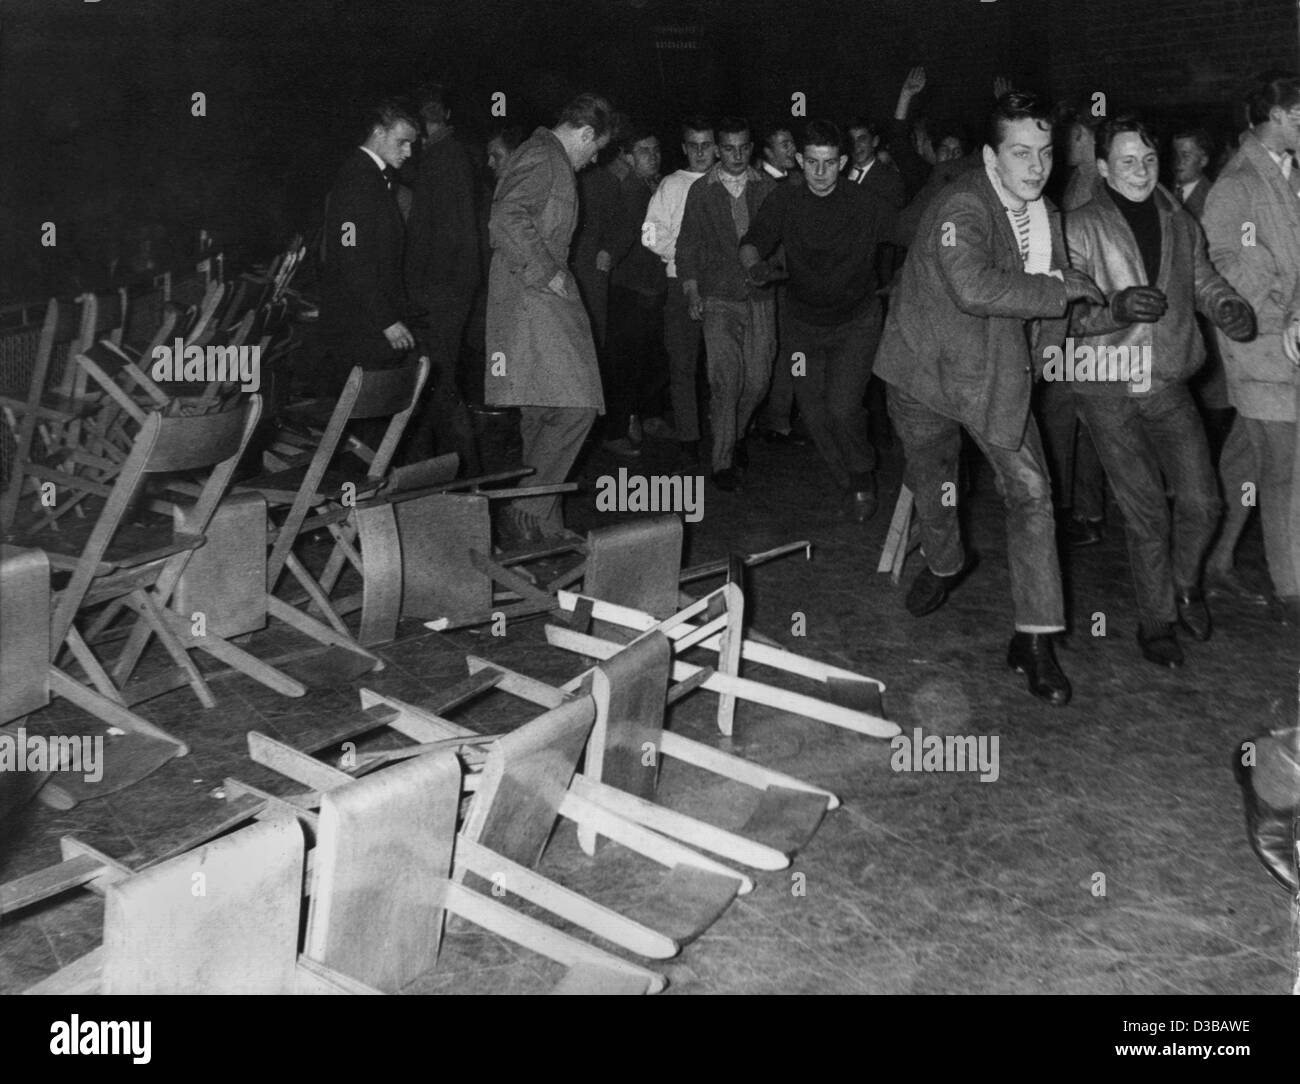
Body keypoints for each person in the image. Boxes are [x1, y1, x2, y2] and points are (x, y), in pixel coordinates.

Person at [875, 91, 1106, 706]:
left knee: (1032, 493)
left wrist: (1081, 328)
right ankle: (947, 562)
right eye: (1020, 153)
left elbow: (1050, 312)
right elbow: (976, 286)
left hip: (994, 373)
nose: (1035, 167)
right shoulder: (962, 205)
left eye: (1045, 153)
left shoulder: (1048, 213)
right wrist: (1059, 289)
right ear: (990, 155)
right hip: (924, 372)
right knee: (937, 482)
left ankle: (1033, 641)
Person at [1064, 114, 1254, 669]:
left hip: (1167, 379)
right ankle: (1156, 621)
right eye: (1127, 161)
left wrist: (1227, 307)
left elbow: (1201, 281)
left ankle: (1186, 585)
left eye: (1149, 160)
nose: (1141, 171)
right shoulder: (1077, 226)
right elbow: (1061, 316)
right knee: (1147, 512)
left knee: (1203, 500)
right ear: (1102, 167)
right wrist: (1113, 308)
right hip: (1106, 385)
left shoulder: (1179, 222)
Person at [740, 119, 894, 521]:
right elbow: (754, 240)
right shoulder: (785, 200)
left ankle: (862, 476)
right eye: (812, 162)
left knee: (843, 408)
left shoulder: (864, 203)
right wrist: (755, 266)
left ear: (842, 162)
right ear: (799, 161)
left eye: (829, 163)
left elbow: (913, 232)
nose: (820, 173)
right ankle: (848, 479)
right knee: (812, 410)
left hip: (855, 324)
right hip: (802, 327)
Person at [486, 92, 614, 544]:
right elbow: (505, 217)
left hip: (532, 299)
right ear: (584, 133)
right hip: (534, 298)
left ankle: (543, 525)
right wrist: (546, 273)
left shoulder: (548, 156)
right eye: (595, 148)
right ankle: (523, 508)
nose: (594, 159)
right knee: (578, 406)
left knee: (542, 411)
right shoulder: (545, 156)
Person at [1201, 73, 1300, 626]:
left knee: (1245, 460)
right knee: (1285, 472)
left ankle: (1210, 560)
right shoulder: (1237, 184)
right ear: (1279, 118)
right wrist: (1287, 308)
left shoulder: (1291, 177)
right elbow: (1232, 272)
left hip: (1288, 347)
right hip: (1259, 348)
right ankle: (1292, 591)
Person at [676, 117, 777, 489]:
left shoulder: (767, 187)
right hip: (718, 296)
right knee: (725, 380)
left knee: (758, 381)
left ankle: (734, 435)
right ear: (718, 150)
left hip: (761, 297)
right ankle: (721, 463)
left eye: (743, 147)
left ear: (752, 147)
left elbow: (781, 239)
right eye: (728, 148)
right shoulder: (702, 191)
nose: (736, 155)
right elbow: (686, 245)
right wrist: (691, 290)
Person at [402, 83, 481, 472]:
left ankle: (464, 470)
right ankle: (450, 467)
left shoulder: (440, 158)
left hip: (440, 291)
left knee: (440, 381)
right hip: (450, 288)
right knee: (439, 380)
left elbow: (436, 234)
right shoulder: (450, 154)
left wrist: (420, 290)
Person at [318, 98, 420, 393]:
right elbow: (352, 257)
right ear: (378, 132)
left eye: (411, 144)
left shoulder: (373, 178)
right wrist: (387, 321)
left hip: (366, 322)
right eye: (402, 142)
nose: (409, 152)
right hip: (361, 327)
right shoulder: (358, 180)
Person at [642, 116, 718, 469]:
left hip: (722, 288)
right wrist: (683, 255)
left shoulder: (729, 180)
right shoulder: (672, 185)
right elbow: (649, 234)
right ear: (685, 148)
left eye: (707, 144)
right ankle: (689, 438)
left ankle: (725, 438)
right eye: (694, 145)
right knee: (683, 365)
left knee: (722, 367)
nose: (701, 152)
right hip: (678, 284)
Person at [603, 125, 667, 457]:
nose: (652, 157)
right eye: (644, 151)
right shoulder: (628, 189)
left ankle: (646, 415)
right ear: (627, 156)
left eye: (656, 150)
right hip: (631, 287)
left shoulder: (654, 185)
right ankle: (617, 429)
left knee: (650, 357)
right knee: (624, 361)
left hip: (654, 286)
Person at [754, 121, 807, 447]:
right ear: (767, 152)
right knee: (768, 351)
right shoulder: (757, 185)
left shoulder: (799, 182)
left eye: (792, 143)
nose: (792, 150)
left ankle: (781, 418)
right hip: (769, 281)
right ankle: (764, 419)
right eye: (784, 144)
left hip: (796, 279)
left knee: (794, 349)